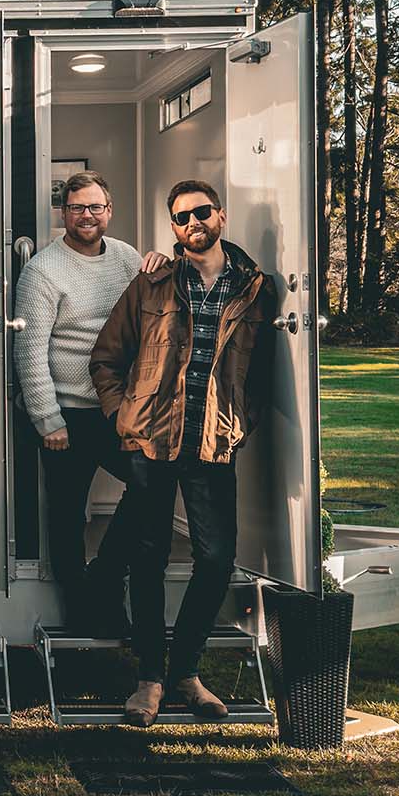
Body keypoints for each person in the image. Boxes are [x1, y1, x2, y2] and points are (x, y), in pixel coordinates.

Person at [90, 179, 275, 727]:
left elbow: (262, 375)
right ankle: (149, 678)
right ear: (173, 228)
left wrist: (241, 423)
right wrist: (123, 415)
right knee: (146, 558)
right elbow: (106, 358)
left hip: (212, 442)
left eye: (200, 213)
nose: (192, 223)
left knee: (216, 558)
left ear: (220, 215)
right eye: (180, 217)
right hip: (153, 439)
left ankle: (187, 673)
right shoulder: (153, 284)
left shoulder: (254, 290)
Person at [12, 171, 164, 637]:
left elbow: (154, 310)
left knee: (151, 484)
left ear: (109, 210)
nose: (87, 216)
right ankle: (82, 609)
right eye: (77, 208)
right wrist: (47, 420)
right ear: (63, 214)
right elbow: (30, 350)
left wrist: (161, 267)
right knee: (67, 514)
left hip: (117, 407)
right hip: (67, 413)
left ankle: (106, 575)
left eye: (95, 207)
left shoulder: (125, 258)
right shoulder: (42, 269)